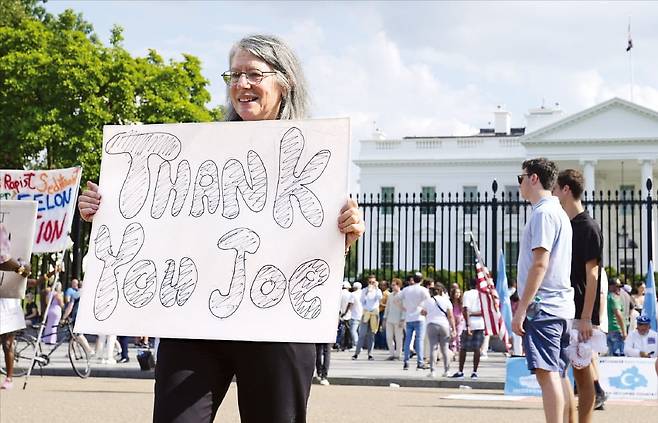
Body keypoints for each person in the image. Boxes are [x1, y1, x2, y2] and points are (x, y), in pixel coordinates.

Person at [77, 34, 365, 423]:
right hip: (194, 320)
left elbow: (316, 246)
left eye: (253, 74)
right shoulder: (198, 151)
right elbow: (160, 222)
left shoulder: (316, 154)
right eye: (234, 74)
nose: (241, 84)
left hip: (277, 325)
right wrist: (105, 211)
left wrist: (346, 231)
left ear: (285, 82)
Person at [511, 158, 574, 423]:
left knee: (547, 375)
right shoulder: (558, 212)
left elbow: (540, 263)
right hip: (559, 305)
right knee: (557, 374)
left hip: (544, 306)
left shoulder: (543, 213)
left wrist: (521, 309)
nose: (520, 184)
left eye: (521, 178)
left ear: (533, 178)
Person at [553, 168, 604, 423]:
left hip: (581, 312)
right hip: (563, 307)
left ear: (565, 189)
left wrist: (585, 317)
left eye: (555, 188)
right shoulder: (564, 224)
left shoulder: (588, 227)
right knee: (562, 373)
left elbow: (592, 275)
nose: (552, 193)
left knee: (582, 376)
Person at [0, 223, 32, 390]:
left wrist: (21, 268)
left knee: (7, 343)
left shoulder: (17, 259)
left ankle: (9, 378)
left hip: (7, 303)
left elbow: (26, 273)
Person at [452, 278, 485, 379]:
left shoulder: (467, 294)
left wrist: (467, 324)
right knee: (477, 349)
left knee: (463, 348)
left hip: (470, 323)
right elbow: (484, 310)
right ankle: (474, 371)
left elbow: (465, 309)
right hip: (480, 323)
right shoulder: (482, 294)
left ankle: (461, 370)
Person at [421, 283, 456, 377]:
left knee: (433, 348)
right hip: (444, 325)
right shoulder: (446, 301)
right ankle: (447, 370)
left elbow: (423, 312)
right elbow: (450, 316)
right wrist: (453, 329)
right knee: (445, 348)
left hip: (431, 324)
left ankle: (433, 371)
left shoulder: (428, 301)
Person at [398, 272, 430, 370]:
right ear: (421, 280)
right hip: (419, 317)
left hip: (409, 317)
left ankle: (406, 362)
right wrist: (426, 310)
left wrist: (403, 308)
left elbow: (395, 299)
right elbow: (429, 301)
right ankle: (420, 362)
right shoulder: (423, 290)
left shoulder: (406, 289)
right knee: (419, 340)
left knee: (408, 340)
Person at [353, 275, 382, 360]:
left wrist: (376, 288)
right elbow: (362, 301)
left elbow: (379, 298)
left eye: (373, 282)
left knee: (371, 334)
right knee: (362, 334)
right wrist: (366, 293)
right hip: (366, 313)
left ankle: (370, 354)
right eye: (370, 282)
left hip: (374, 313)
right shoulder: (364, 290)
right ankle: (356, 353)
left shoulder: (378, 290)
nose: (371, 284)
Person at [383, 278, 404, 360]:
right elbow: (387, 307)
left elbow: (404, 308)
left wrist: (403, 319)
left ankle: (398, 354)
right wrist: (384, 318)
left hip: (398, 319)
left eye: (394, 285)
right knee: (389, 337)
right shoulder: (390, 295)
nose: (392, 286)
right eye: (392, 285)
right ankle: (391, 353)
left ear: (398, 285)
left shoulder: (402, 295)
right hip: (389, 319)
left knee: (398, 337)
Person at [607, 279, 626, 356]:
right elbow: (618, 314)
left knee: (610, 357)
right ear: (610, 287)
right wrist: (624, 331)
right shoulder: (613, 298)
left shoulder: (605, 297)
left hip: (608, 329)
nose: (619, 289)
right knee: (618, 358)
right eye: (617, 287)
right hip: (616, 330)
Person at [337, 281, 354, 351]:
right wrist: (345, 312)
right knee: (347, 331)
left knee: (340, 330)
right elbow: (350, 304)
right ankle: (347, 345)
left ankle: (339, 344)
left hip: (340, 315)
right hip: (348, 315)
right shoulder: (350, 294)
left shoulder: (339, 293)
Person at [449, 286, 464, 356]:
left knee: (459, 335)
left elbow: (463, 311)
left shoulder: (461, 302)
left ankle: (459, 349)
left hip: (460, 320)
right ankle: (453, 350)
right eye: (456, 293)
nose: (457, 294)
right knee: (453, 336)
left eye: (459, 292)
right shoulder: (450, 302)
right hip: (452, 320)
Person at [349, 282, 364, 351]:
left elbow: (351, 304)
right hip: (363, 315)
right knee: (360, 332)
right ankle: (360, 345)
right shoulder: (363, 293)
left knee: (353, 331)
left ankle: (356, 345)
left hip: (355, 315)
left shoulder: (353, 294)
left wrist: (346, 312)